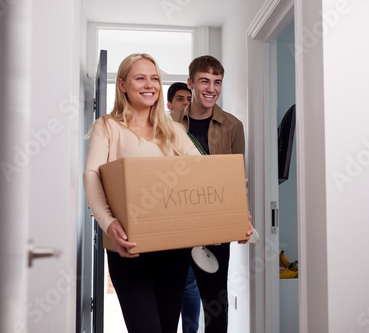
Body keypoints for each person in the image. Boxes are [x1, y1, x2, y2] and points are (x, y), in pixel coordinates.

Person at [83, 53, 202, 333]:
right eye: (140, 78)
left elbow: (205, 176)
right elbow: (92, 175)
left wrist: (232, 214)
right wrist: (108, 223)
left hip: (174, 249)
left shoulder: (173, 131)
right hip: (129, 248)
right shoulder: (108, 127)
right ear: (122, 84)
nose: (149, 85)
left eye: (155, 78)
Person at [170, 55, 251, 332]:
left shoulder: (233, 126)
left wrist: (242, 218)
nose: (211, 88)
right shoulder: (168, 125)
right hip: (175, 226)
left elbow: (238, 180)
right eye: (204, 80)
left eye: (217, 82)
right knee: (170, 300)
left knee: (215, 302)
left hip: (215, 227)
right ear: (191, 83)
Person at [167, 82, 200, 333]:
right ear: (168, 105)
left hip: (190, 221)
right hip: (165, 222)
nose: (185, 103)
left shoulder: (191, 135)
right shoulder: (163, 133)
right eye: (180, 99)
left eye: (189, 99)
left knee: (190, 286)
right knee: (167, 288)